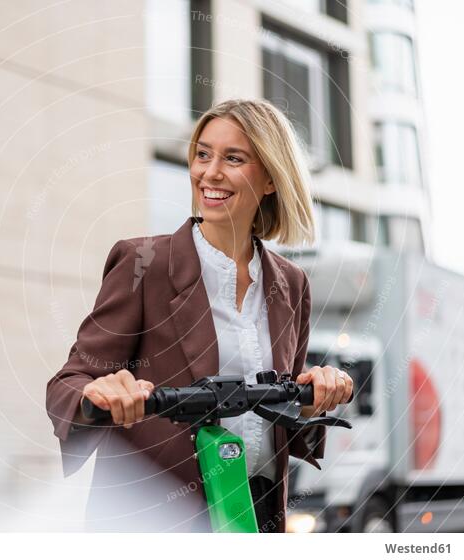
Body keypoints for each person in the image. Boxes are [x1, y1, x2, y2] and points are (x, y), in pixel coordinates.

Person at [46, 98, 353, 532]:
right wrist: (99, 392)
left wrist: (314, 394)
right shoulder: (144, 262)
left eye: (233, 158)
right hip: (158, 519)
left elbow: (283, 406)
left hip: (258, 510)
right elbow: (68, 384)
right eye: (203, 154)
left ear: (269, 178)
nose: (209, 172)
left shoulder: (292, 284)